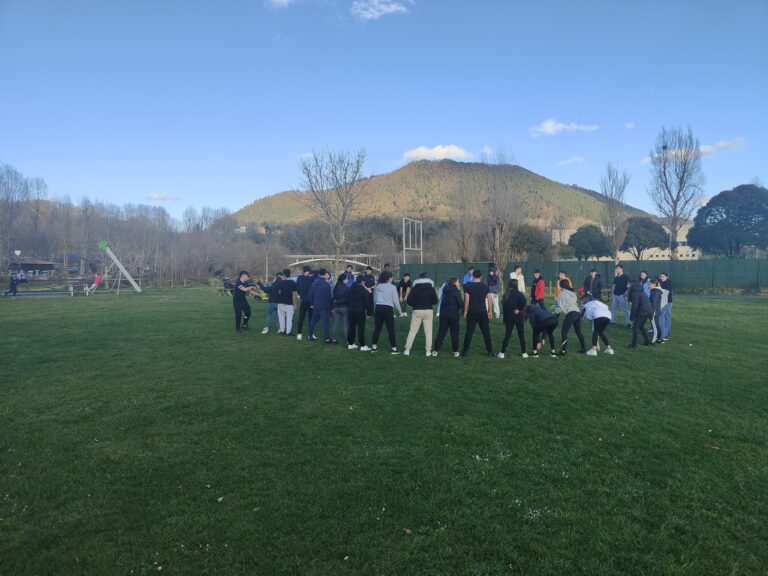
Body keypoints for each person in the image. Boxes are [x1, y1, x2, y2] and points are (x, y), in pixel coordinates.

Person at [403, 272, 438, 356]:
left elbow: (409, 301)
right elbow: (435, 301)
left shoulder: (414, 288)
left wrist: (416, 303)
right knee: (428, 332)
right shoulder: (431, 288)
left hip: (417, 311)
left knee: (413, 331)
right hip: (428, 311)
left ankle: (407, 350)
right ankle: (428, 351)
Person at [460, 269, 494, 357]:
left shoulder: (469, 286)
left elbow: (466, 300)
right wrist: (490, 311)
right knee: (486, 332)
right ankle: (490, 352)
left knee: (469, 332)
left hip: (472, 312)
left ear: (473, 276)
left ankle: (464, 351)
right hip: (482, 312)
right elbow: (489, 299)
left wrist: (465, 311)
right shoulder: (485, 286)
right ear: (481, 276)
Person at [371, 271, 403, 354]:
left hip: (378, 308)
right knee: (391, 330)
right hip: (387, 309)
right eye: (392, 277)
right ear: (389, 278)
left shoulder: (377, 287)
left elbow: (374, 299)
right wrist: (400, 312)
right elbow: (396, 301)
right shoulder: (392, 287)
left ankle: (374, 347)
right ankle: (394, 349)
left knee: (377, 329)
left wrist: (376, 309)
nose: (392, 279)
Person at [432, 277, 463, 357]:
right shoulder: (456, 291)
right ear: (454, 283)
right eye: (458, 282)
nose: (459, 283)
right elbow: (460, 303)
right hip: (453, 314)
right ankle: (455, 351)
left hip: (444, 313)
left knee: (441, 332)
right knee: (454, 333)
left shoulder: (444, 290)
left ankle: (435, 351)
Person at [498, 279, 528, 359]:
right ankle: (524, 353)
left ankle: (502, 353)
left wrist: (504, 319)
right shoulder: (519, 294)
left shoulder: (506, 295)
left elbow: (504, 309)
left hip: (509, 317)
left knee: (507, 335)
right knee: (521, 335)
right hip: (518, 316)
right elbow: (525, 302)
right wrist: (519, 309)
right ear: (516, 285)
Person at [554, 279, 586, 355]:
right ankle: (583, 349)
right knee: (578, 332)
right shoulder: (572, 292)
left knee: (564, 332)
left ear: (561, 286)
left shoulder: (562, 294)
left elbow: (560, 308)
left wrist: (554, 314)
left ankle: (563, 351)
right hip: (578, 313)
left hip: (571, 314)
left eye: (559, 284)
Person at [347, 275, 373, 351]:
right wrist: (369, 312)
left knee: (351, 327)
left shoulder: (351, 289)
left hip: (351, 311)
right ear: (362, 282)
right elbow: (367, 303)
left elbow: (347, 300)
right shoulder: (363, 290)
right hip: (360, 311)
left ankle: (351, 343)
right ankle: (362, 345)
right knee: (361, 329)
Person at [307, 268, 334, 342]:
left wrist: (312, 304)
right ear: (325, 274)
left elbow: (310, 294)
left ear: (319, 274)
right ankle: (327, 338)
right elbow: (329, 297)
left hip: (316, 306)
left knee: (313, 322)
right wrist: (332, 307)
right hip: (324, 306)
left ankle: (310, 336)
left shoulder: (314, 283)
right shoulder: (326, 284)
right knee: (326, 323)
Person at [627, 280, 652, 348]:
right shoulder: (639, 290)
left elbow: (634, 305)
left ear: (630, 284)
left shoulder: (634, 292)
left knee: (635, 327)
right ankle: (647, 342)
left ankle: (634, 345)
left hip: (642, 311)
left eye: (627, 284)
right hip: (648, 310)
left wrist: (632, 316)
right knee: (641, 326)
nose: (627, 286)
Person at [295, 266, 314, 340]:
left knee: (301, 318)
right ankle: (310, 335)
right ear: (308, 271)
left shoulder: (299, 278)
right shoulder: (311, 279)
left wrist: (301, 295)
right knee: (311, 318)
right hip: (310, 301)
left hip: (303, 300)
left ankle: (299, 334)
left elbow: (297, 288)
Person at [276, 268, 297, 336]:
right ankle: (288, 332)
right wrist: (294, 304)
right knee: (289, 318)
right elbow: (293, 295)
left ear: (284, 275)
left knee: (281, 317)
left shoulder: (281, 283)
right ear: (290, 274)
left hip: (280, 302)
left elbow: (279, 292)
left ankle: (282, 331)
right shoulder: (293, 283)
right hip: (289, 303)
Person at [330, 272, 350, 344]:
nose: (347, 280)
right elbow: (348, 299)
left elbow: (333, 297)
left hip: (336, 307)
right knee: (346, 324)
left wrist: (333, 305)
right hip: (344, 307)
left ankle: (333, 339)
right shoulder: (347, 288)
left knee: (336, 324)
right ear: (343, 280)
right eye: (347, 279)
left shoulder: (336, 287)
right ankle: (348, 340)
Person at [659, 272, 673, 341]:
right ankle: (666, 334)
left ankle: (665, 335)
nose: (662, 277)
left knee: (665, 318)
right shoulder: (663, 283)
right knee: (666, 318)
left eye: (663, 276)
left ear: (666, 277)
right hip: (667, 302)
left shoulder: (667, 284)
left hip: (667, 302)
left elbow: (665, 294)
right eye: (661, 276)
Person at [648, 278, 663, 344]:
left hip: (654, 311)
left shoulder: (656, 292)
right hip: (656, 310)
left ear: (654, 284)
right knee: (656, 325)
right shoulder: (655, 291)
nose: (649, 285)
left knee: (655, 326)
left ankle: (653, 340)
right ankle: (659, 338)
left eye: (650, 284)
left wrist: (652, 312)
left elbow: (654, 303)